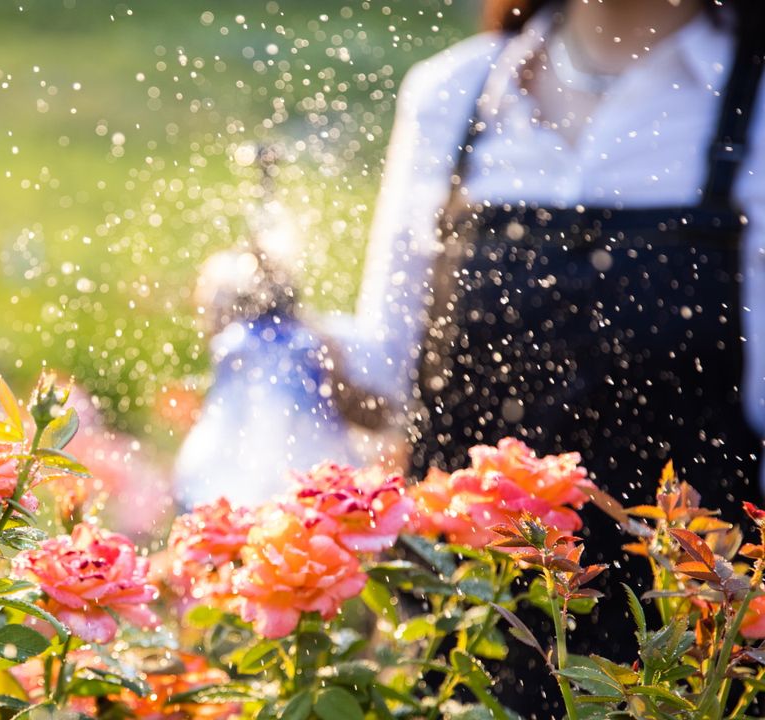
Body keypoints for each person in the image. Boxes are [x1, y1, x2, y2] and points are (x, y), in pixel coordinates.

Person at [320, 0, 765, 715]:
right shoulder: (453, 93)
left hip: (679, 652)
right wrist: (275, 327)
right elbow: (390, 381)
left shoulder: (755, 103)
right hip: (466, 644)